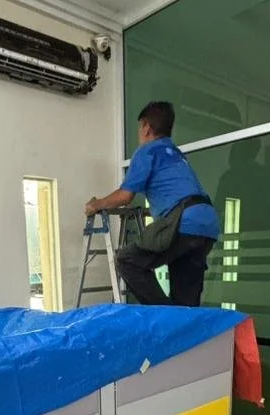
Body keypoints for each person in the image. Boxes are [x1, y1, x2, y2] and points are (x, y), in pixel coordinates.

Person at [85, 101, 219, 306]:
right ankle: (183, 329)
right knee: (186, 301)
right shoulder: (176, 154)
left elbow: (125, 196)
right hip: (207, 224)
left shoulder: (148, 151)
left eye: (140, 128)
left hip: (182, 220)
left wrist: (97, 204)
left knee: (127, 260)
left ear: (146, 127)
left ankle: (164, 315)